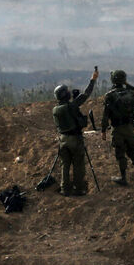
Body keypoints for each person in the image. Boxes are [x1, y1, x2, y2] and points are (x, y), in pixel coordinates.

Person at [51, 67, 98, 196]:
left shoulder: (55, 109)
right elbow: (86, 94)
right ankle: (78, 189)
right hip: (75, 139)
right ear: (64, 94)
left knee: (65, 165)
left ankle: (64, 189)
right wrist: (93, 80)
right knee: (78, 164)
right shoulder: (71, 106)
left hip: (63, 139)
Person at [101, 69, 134, 185]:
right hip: (129, 127)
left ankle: (123, 177)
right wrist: (125, 83)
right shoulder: (130, 93)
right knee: (132, 150)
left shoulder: (109, 96)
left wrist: (103, 130)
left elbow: (105, 115)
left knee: (120, 153)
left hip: (117, 129)